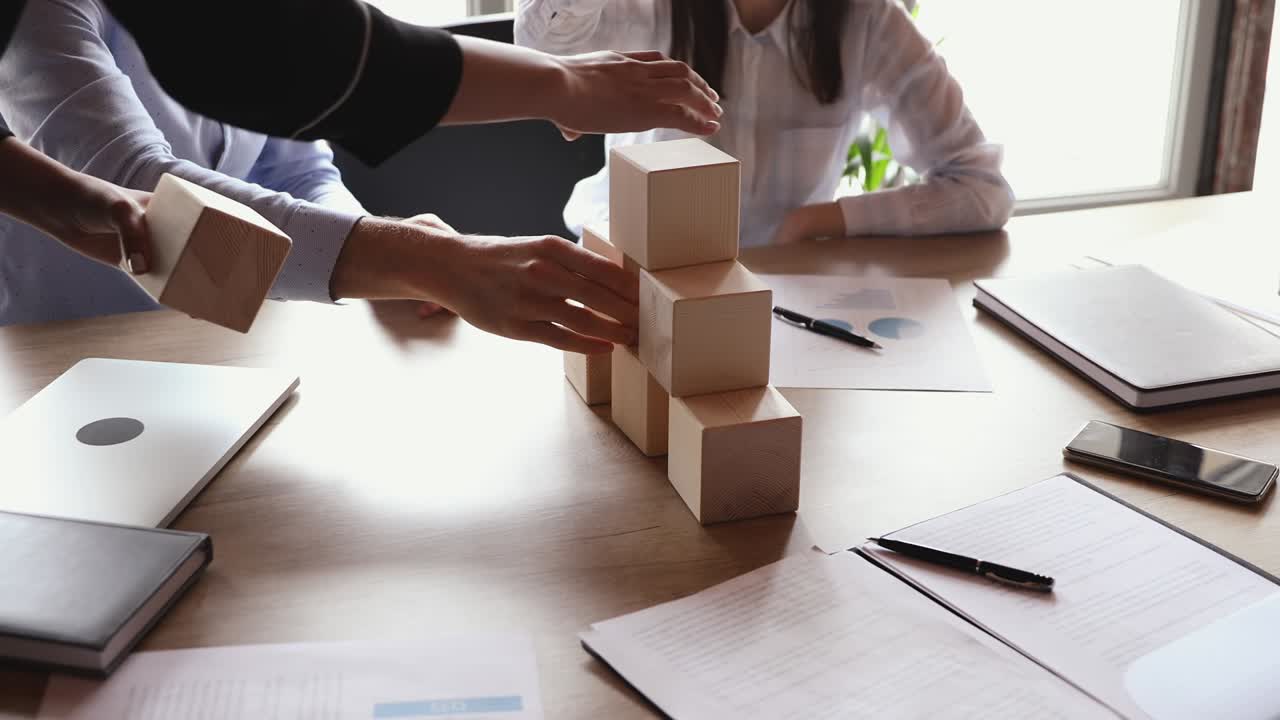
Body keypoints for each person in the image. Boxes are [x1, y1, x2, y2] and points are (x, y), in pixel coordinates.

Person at [0, 1, 721, 354]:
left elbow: (292, 149)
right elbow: (151, 210)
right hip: (71, 367)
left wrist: (383, 256)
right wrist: (422, 262)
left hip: (238, 358)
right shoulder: (36, 20)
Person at [516, 0, 1014, 248]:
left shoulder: (867, 18)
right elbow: (535, 50)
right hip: (632, 278)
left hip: (785, 300)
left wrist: (822, 220)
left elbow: (982, 189)